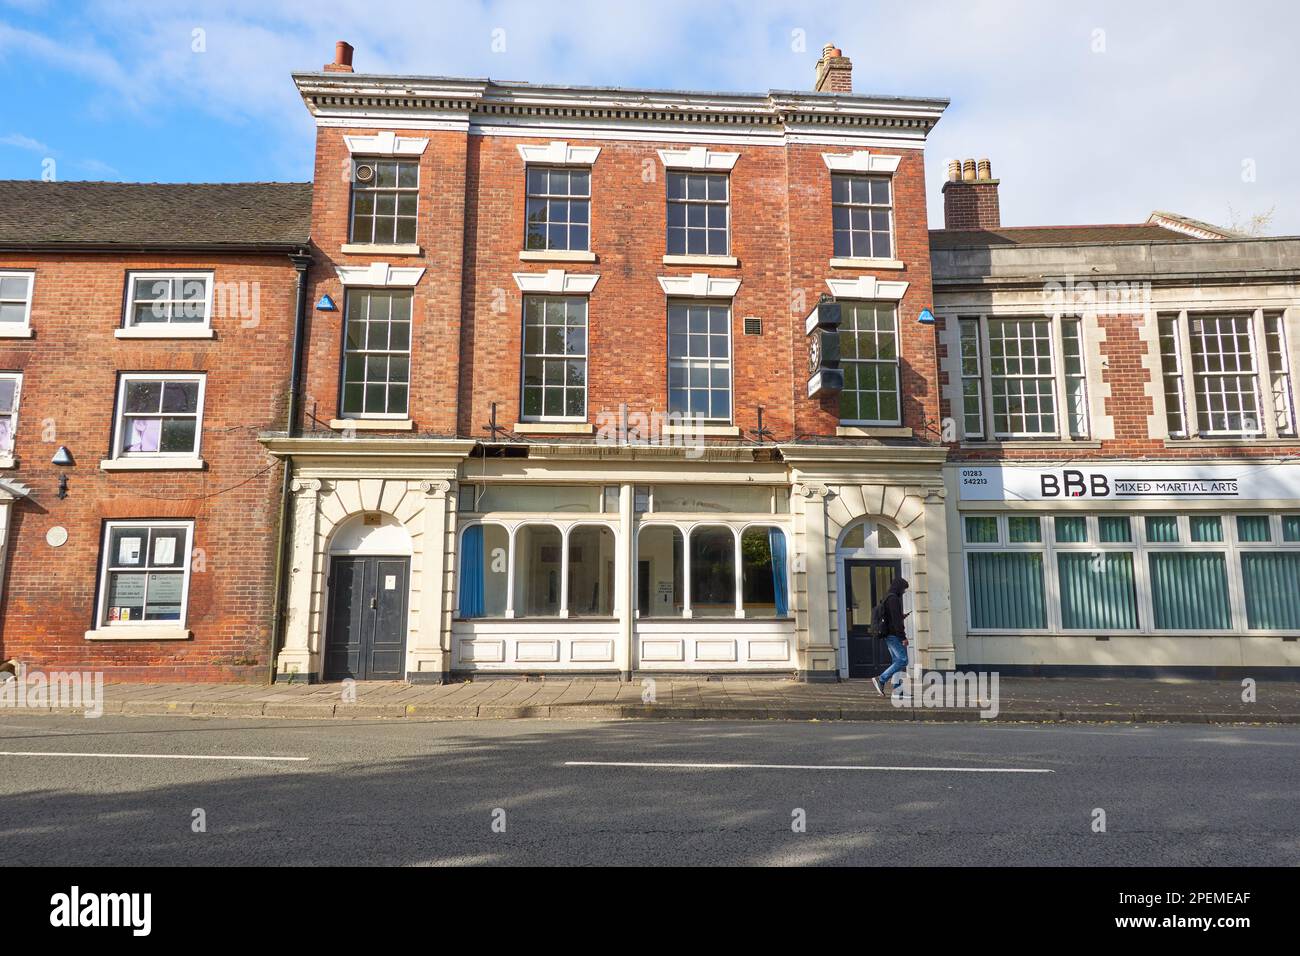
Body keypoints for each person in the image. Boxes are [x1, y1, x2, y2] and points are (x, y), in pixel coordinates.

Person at [871, 577, 911, 697]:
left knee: (896, 661)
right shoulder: (893, 599)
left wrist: (901, 616)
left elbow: (891, 617)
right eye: (904, 589)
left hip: (889, 634)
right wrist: (903, 637)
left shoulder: (888, 598)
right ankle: (881, 679)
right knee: (903, 660)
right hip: (894, 635)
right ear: (899, 587)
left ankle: (898, 691)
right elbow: (896, 622)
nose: (904, 591)